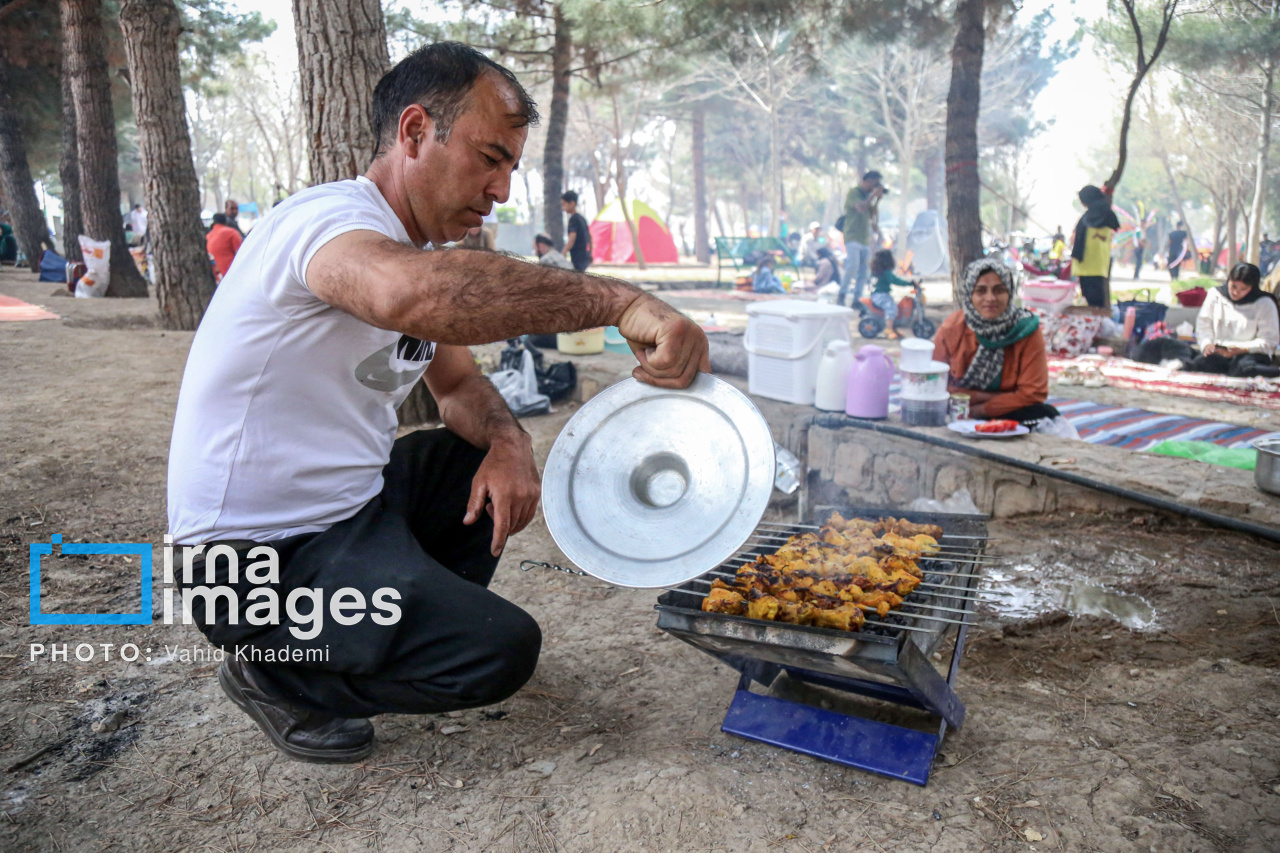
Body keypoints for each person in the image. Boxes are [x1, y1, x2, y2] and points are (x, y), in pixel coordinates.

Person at [166, 42, 710, 764]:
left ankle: (385, 624)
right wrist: (617, 303)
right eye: (490, 158)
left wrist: (510, 444)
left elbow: (456, 386)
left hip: (349, 518)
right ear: (416, 131)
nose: (502, 189)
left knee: (465, 455)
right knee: (499, 651)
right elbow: (408, 294)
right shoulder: (327, 221)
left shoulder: (407, 249)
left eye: (512, 167)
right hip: (252, 563)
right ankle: (276, 674)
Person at [933, 258, 1058, 423]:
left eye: (999, 290)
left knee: (1042, 412)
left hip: (1007, 412)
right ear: (969, 295)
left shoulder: (1027, 330)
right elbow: (934, 384)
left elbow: (1033, 394)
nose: (990, 298)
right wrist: (982, 396)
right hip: (957, 410)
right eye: (981, 291)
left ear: (1010, 293)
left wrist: (979, 411)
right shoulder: (952, 329)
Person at [1189, 262, 1280, 378]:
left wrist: (1242, 349)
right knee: (1200, 364)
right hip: (1220, 352)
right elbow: (1203, 325)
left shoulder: (1265, 303)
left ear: (1252, 287)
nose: (1236, 292)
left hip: (1251, 354)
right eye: (1233, 286)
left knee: (1243, 369)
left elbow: (1269, 340)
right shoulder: (1216, 295)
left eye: (1243, 289)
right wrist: (1207, 344)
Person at [840, 170, 885, 310]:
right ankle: (842, 294)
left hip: (864, 238)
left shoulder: (868, 197)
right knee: (852, 266)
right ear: (867, 181)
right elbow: (860, 207)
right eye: (874, 183)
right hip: (852, 235)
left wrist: (877, 199)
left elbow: (872, 215)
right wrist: (872, 196)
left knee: (864, 271)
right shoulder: (854, 193)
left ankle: (857, 299)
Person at [1070, 185, 1120, 308]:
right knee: (1097, 299)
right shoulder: (1108, 214)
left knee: (1090, 299)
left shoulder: (1087, 217)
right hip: (1099, 263)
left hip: (1085, 263)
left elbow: (1076, 239)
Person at [867, 248, 914, 340]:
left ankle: (893, 327)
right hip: (882, 295)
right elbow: (895, 280)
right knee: (891, 309)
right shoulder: (886, 272)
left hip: (875, 295)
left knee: (895, 307)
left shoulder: (875, 271)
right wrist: (909, 283)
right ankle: (888, 329)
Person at [560, 190, 592, 272]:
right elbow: (590, 237)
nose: (563, 208)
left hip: (577, 256)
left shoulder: (573, 220)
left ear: (572, 203)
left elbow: (572, 238)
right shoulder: (582, 219)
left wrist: (564, 252)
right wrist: (590, 253)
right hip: (584, 255)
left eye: (564, 204)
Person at [205, 212, 243, 279]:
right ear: (226, 222)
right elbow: (241, 253)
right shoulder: (232, 233)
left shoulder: (207, 237)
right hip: (232, 275)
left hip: (216, 277)